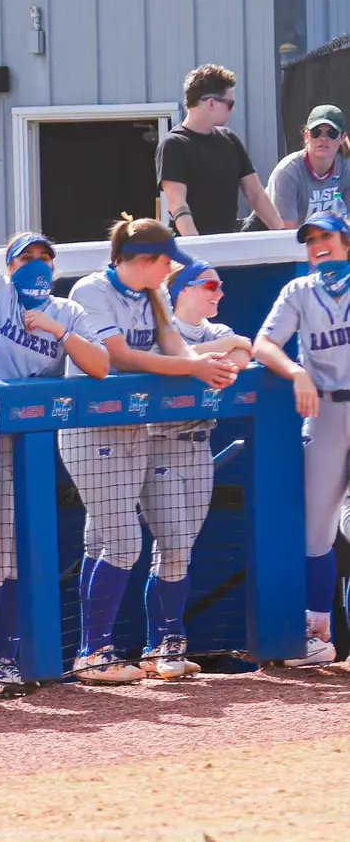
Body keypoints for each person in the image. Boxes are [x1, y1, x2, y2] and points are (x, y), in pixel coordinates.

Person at [0, 119, 110, 697]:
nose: (36, 267)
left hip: (31, 440)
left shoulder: (68, 311)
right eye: (26, 260)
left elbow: (98, 367)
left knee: (19, 549)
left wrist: (57, 331)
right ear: (11, 265)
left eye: (45, 259)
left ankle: (10, 657)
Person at [57, 217, 240, 685]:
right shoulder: (91, 290)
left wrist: (201, 362)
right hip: (90, 427)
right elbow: (118, 355)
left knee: (104, 541)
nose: (169, 270)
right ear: (143, 259)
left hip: (132, 428)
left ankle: (94, 652)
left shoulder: (153, 293)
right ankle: (94, 653)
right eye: (165, 261)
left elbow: (173, 344)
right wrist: (194, 370)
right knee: (122, 541)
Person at [136, 259, 253, 678]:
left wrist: (192, 357)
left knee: (181, 551)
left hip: (200, 446)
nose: (219, 293)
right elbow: (158, 360)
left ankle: (162, 645)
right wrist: (191, 360)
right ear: (183, 289)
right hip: (159, 446)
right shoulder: (161, 329)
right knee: (173, 546)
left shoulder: (217, 332)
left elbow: (241, 352)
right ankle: (165, 644)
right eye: (209, 285)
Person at [253, 210, 350, 667]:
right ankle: (318, 634)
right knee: (316, 530)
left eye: (325, 236)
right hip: (325, 409)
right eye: (310, 240)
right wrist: (296, 372)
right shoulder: (299, 289)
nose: (317, 245)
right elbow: (263, 344)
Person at [156, 63, 283, 236]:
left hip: (227, 244)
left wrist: (282, 234)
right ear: (210, 103)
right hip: (191, 249)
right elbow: (177, 204)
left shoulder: (229, 140)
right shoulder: (173, 144)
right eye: (230, 103)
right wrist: (198, 252)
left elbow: (256, 194)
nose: (232, 109)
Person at [266, 105, 350, 225]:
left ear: (342, 138)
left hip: (323, 239)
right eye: (316, 132)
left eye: (331, 133)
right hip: (274, 238)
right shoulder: (287, 172)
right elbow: (286, 235)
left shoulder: (346, 168)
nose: (323, 138)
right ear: (306, 136)